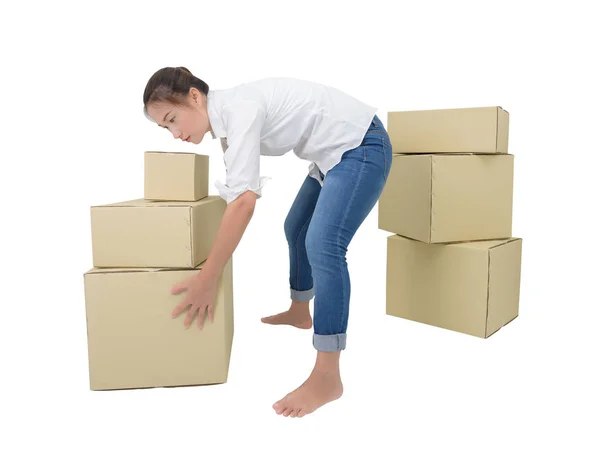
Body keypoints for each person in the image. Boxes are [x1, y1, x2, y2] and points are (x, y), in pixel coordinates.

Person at [143, 67, 392, 418]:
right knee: (297, 228)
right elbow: (237, 198)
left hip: (362, 146)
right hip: (331, 159)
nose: (174, 133)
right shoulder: (228, 124)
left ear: (195, 97)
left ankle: (327, 375)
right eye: (164, 128)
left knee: (323, 244)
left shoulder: (239, 110)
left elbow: (244, 203)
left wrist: (207, 278)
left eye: (172, 119)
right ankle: (300, 310)